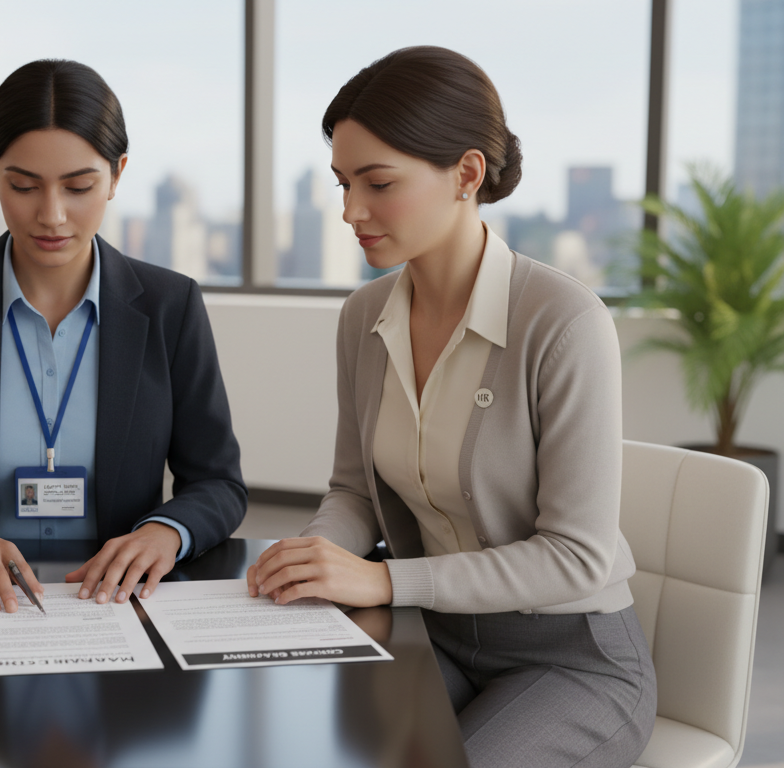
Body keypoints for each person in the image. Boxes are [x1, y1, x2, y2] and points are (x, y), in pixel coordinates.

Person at [246, 47, 655, 767]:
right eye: (343, 184)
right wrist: (318, 557)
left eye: (377, 183)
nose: (350, 211)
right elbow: (353, 491)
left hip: (569, 657)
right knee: (299, 738)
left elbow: (578, 555)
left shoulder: (562, 320)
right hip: (431, 631)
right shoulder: (364, 316)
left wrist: (381, 579)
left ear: (467, 174)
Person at [0, 59, 246, 614]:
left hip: (115, 602)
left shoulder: (171, 305)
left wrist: (164, 532)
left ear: (117, 175)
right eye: (23, 185)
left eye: (79, 186)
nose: (52, 215)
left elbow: (218, 482)